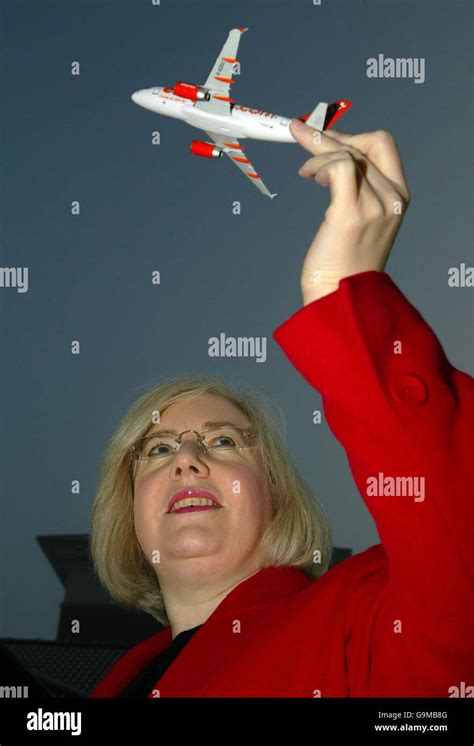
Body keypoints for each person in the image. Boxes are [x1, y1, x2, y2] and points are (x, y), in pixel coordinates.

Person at [88, 120, 473, 698]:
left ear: (277, 495)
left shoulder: (357, 622)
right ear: (129, 507)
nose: (186, 459)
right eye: (158, 449)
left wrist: (348, 292)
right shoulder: (113, 686)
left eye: (223, 441)